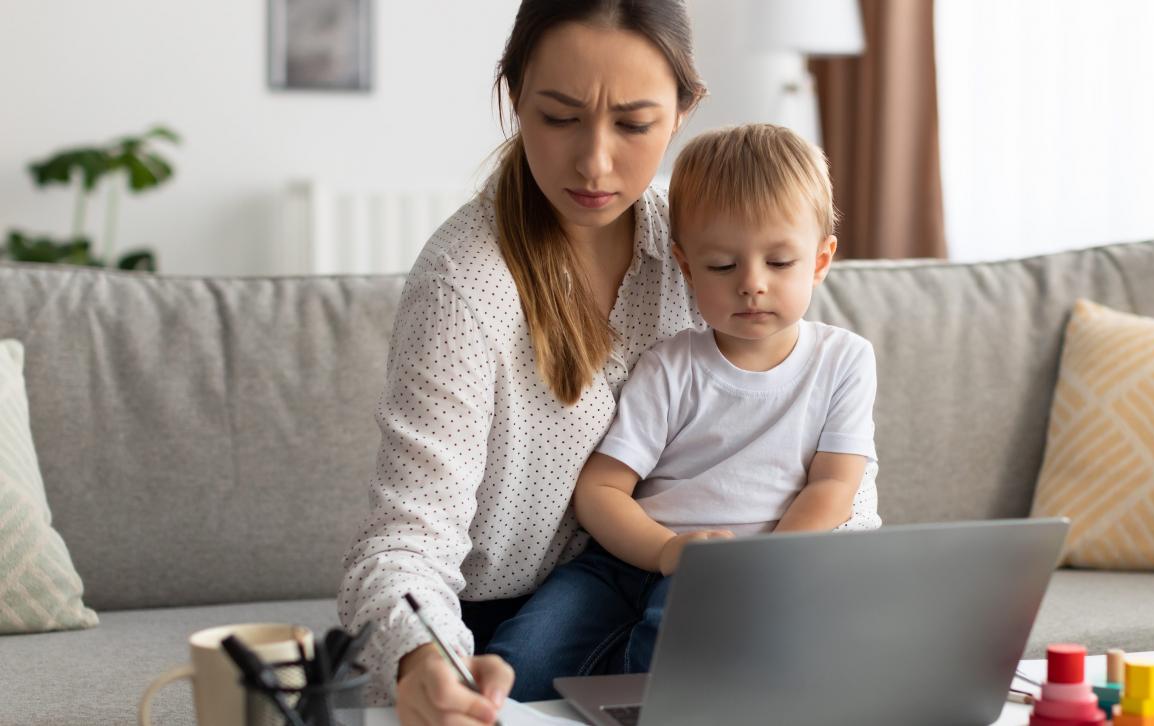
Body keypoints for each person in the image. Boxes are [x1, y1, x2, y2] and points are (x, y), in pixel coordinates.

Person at [337, 2, 706, 725]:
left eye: (634, 124)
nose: (595, 162)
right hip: (503, 635)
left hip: (679, 599)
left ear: (684, 113)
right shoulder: (465, 284)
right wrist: (425, 660)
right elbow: (404, 539)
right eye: (559, 117)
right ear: (513, 98)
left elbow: (804, 419)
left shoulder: (705, 253)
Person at [484, 123, 881, 700]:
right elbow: (601, 491)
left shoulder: (844, 360)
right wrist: (668, 550)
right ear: (687, 267)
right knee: (520, 666)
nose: (751, 285)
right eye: (722, 266)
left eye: (779, 263)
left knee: (673, 673)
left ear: (819, 262)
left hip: (751, 567)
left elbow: (834, 486)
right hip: (631, 561)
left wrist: (761, 569)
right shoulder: (671, 366)